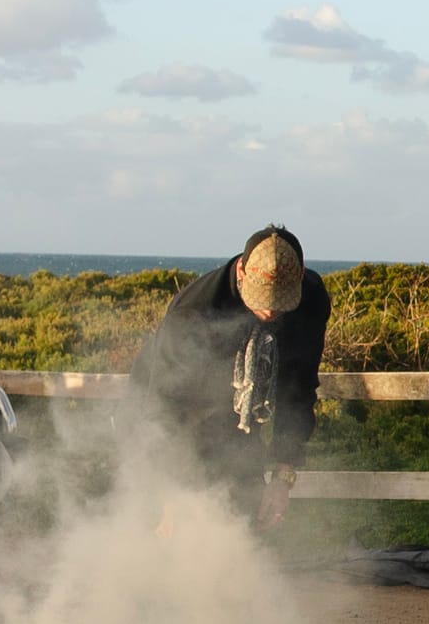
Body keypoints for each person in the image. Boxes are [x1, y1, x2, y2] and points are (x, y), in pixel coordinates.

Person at [121, 225, 332, 531]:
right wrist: (170, 496)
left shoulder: (311, 300)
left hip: (239, 423)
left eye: (281, 301)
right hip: (158, 419)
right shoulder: (194, 311)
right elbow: (163, 407)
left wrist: (282, 478)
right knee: (172, 529)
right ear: (241, 271)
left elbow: (298, 390)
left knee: (245, 518)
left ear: (300, 277)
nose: (269, 309)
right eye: (260, 297)